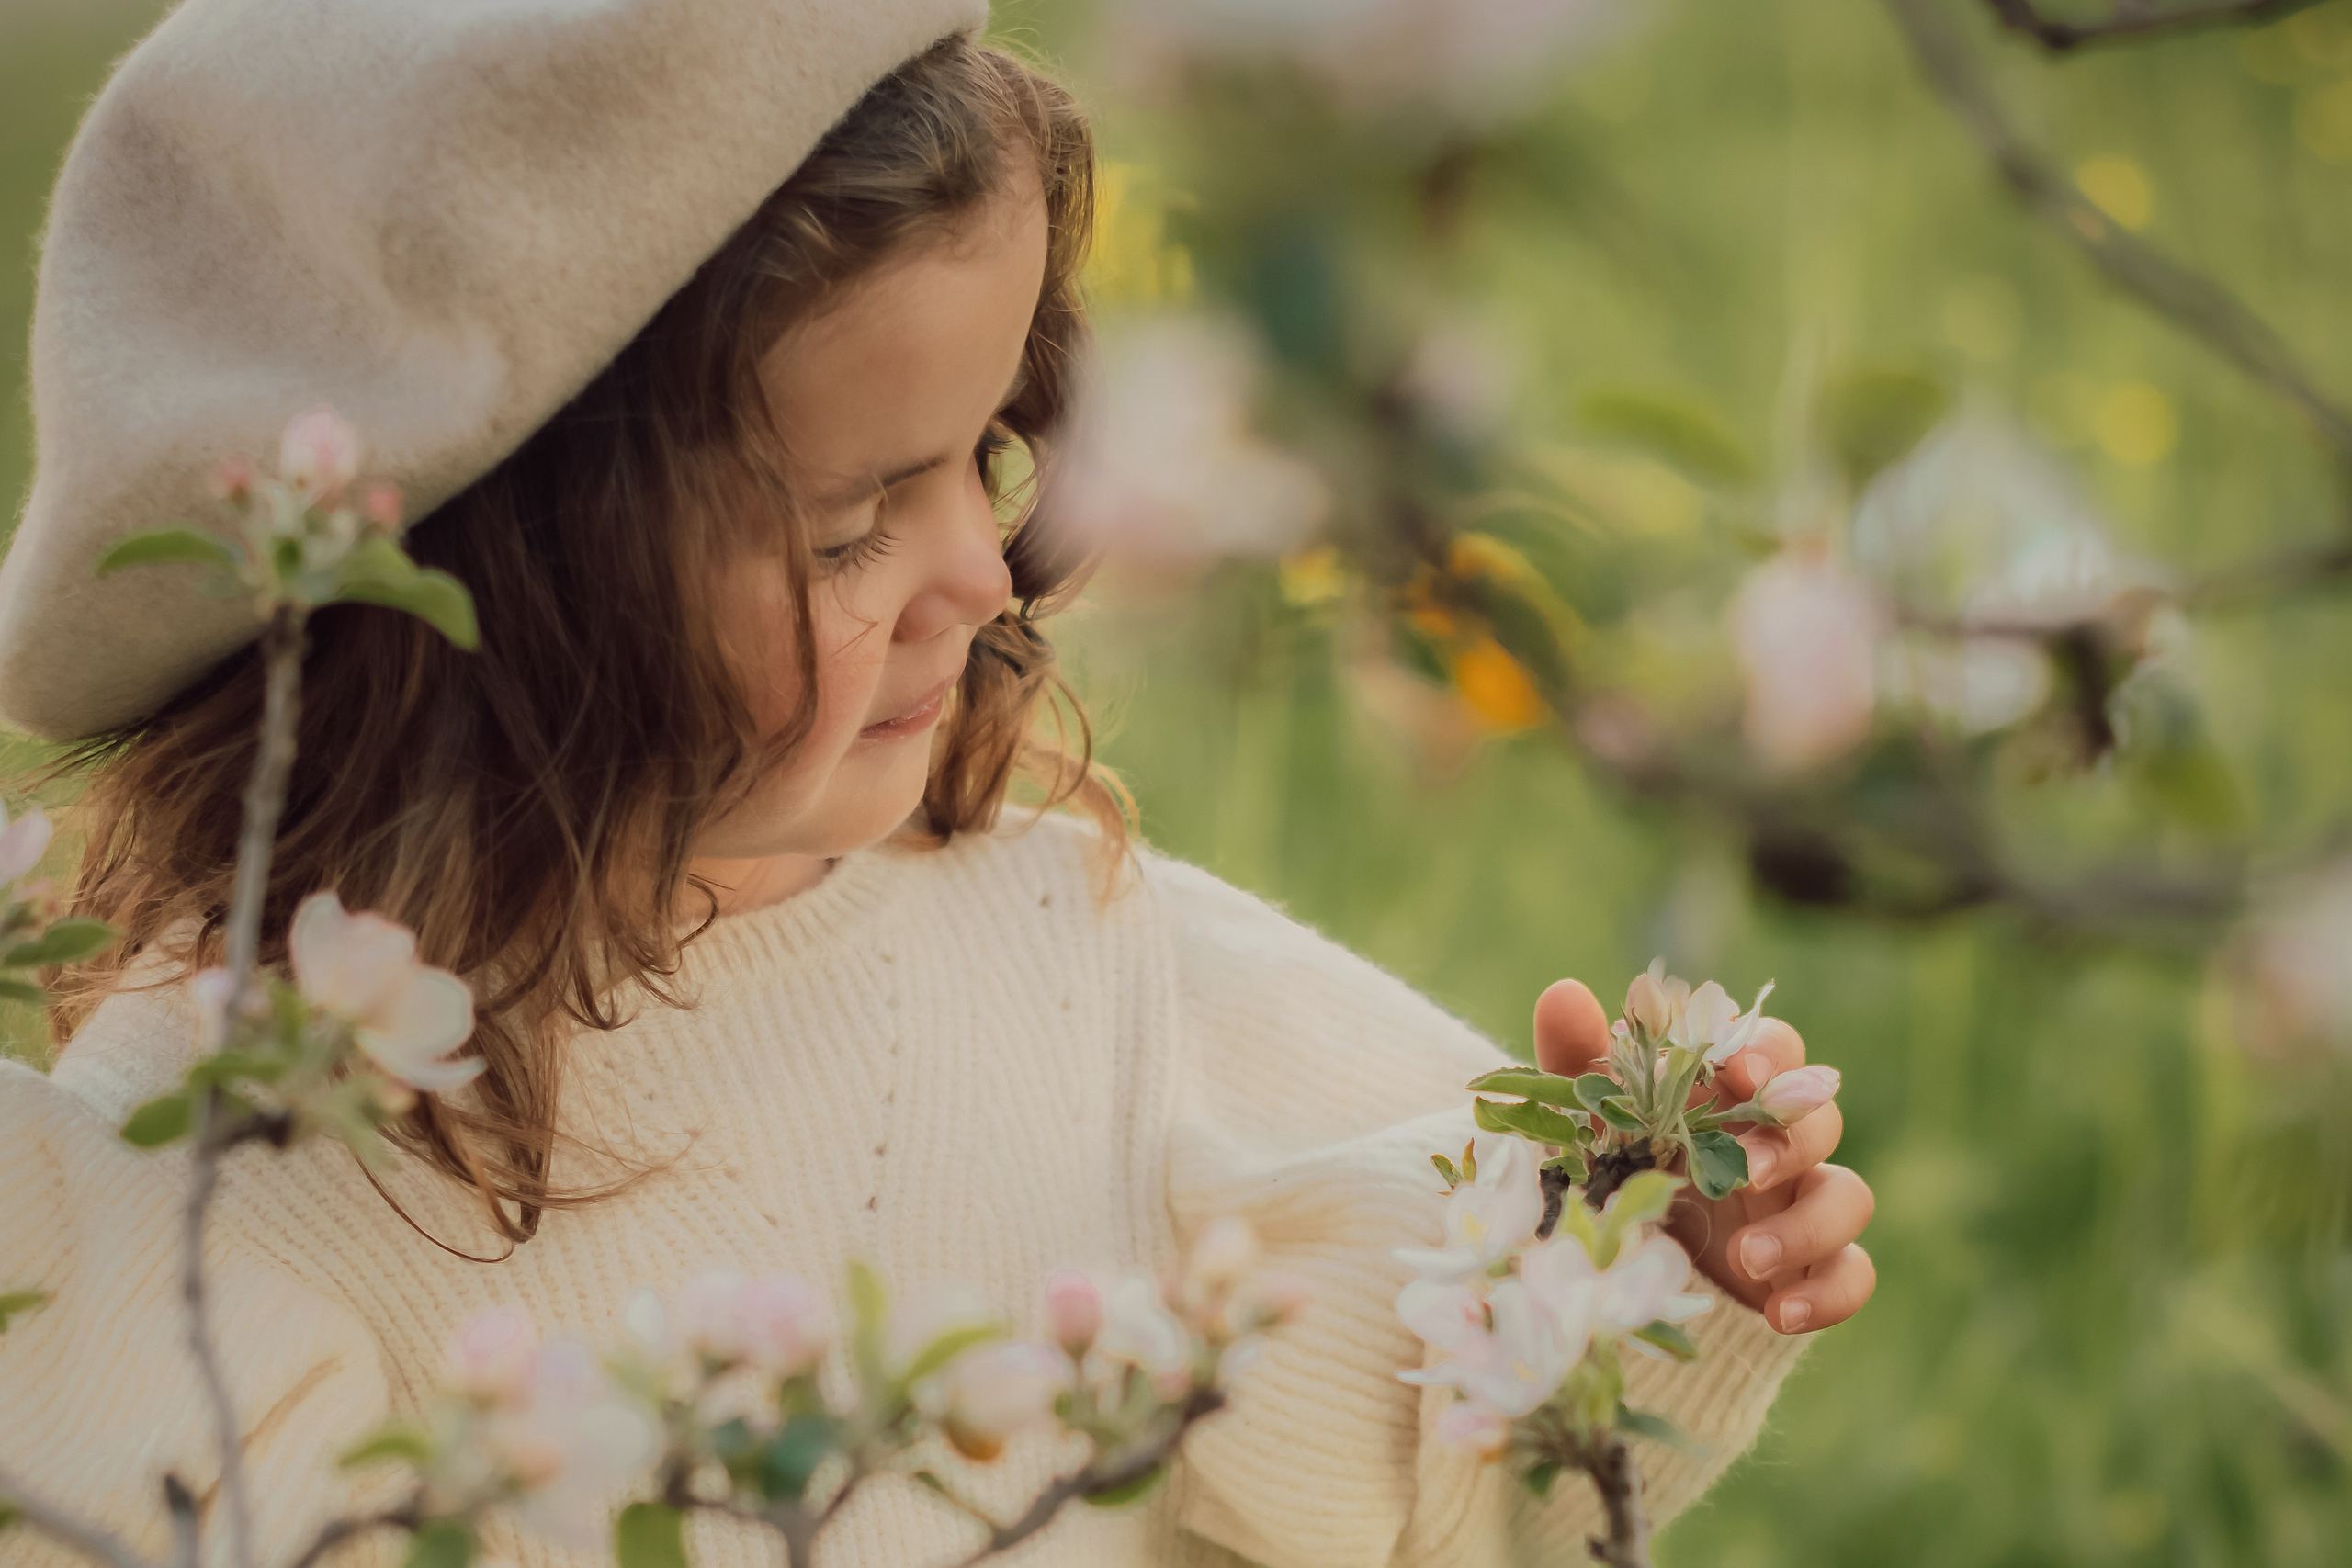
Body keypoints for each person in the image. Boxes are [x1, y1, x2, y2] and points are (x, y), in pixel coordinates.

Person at [0, 4, 1875, 1566]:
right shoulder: (210, 1162)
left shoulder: (1070, 948)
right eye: (840, 530)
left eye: (980, 452)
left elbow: (1405, 1454)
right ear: (495, 604)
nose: (980, 577)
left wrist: (1634, 1253)